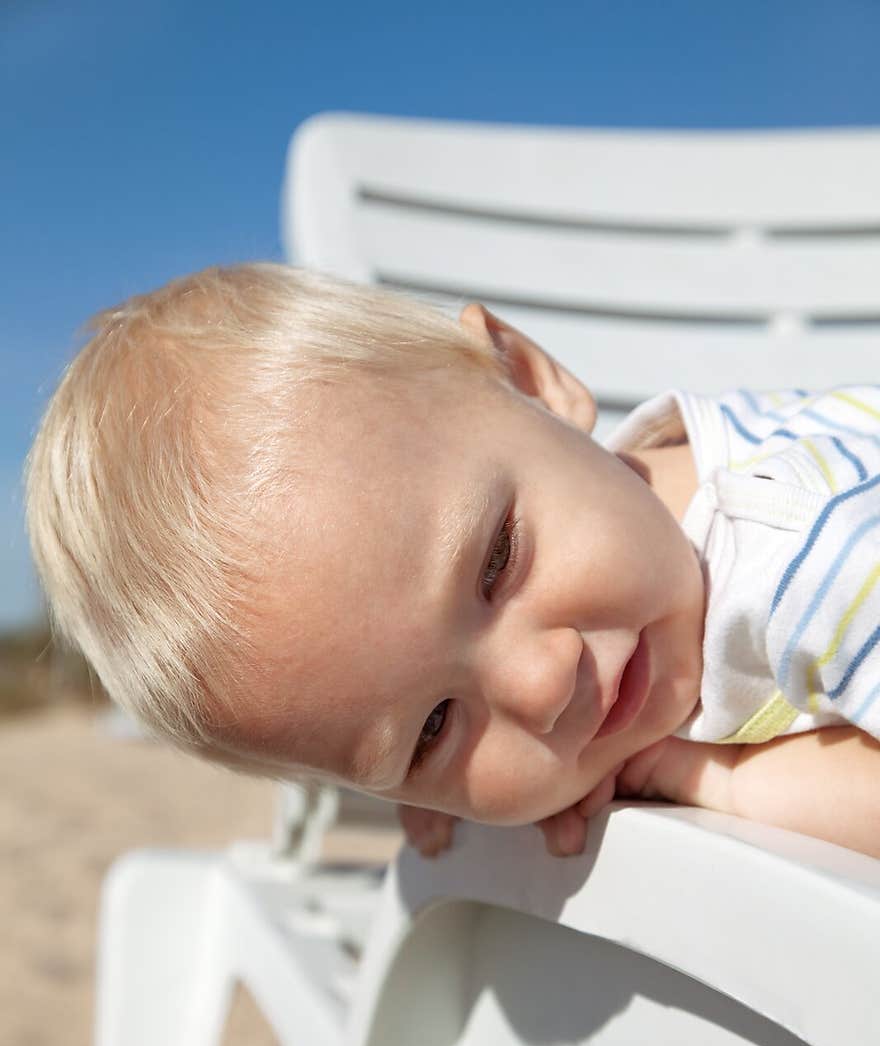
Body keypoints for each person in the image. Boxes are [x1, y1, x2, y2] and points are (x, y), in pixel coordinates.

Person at [25, 262, 880, 862]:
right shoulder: (613, 558)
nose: (540, 689)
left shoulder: (818, 551)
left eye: (497, 562)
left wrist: (723, 784)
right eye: (433, 728)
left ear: (527, 377)